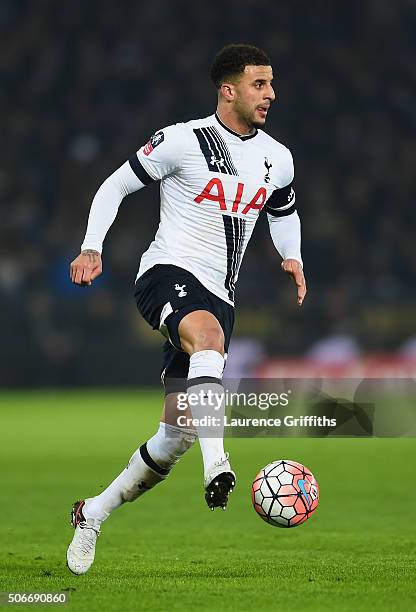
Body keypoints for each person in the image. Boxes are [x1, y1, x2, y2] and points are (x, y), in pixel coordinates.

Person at [66, 43, 306, 575]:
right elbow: (116, 185)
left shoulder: (277, 156)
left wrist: (292, 257)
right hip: (166, 274)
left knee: (174, 435)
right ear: (229, 90)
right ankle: (217, 462)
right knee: (210, 340)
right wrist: (91, 246)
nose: (271, 94)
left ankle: (93, 514)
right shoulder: (183, 140)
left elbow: (283, 209)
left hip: (222, 297)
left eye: (271, 84)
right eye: (259, 84)